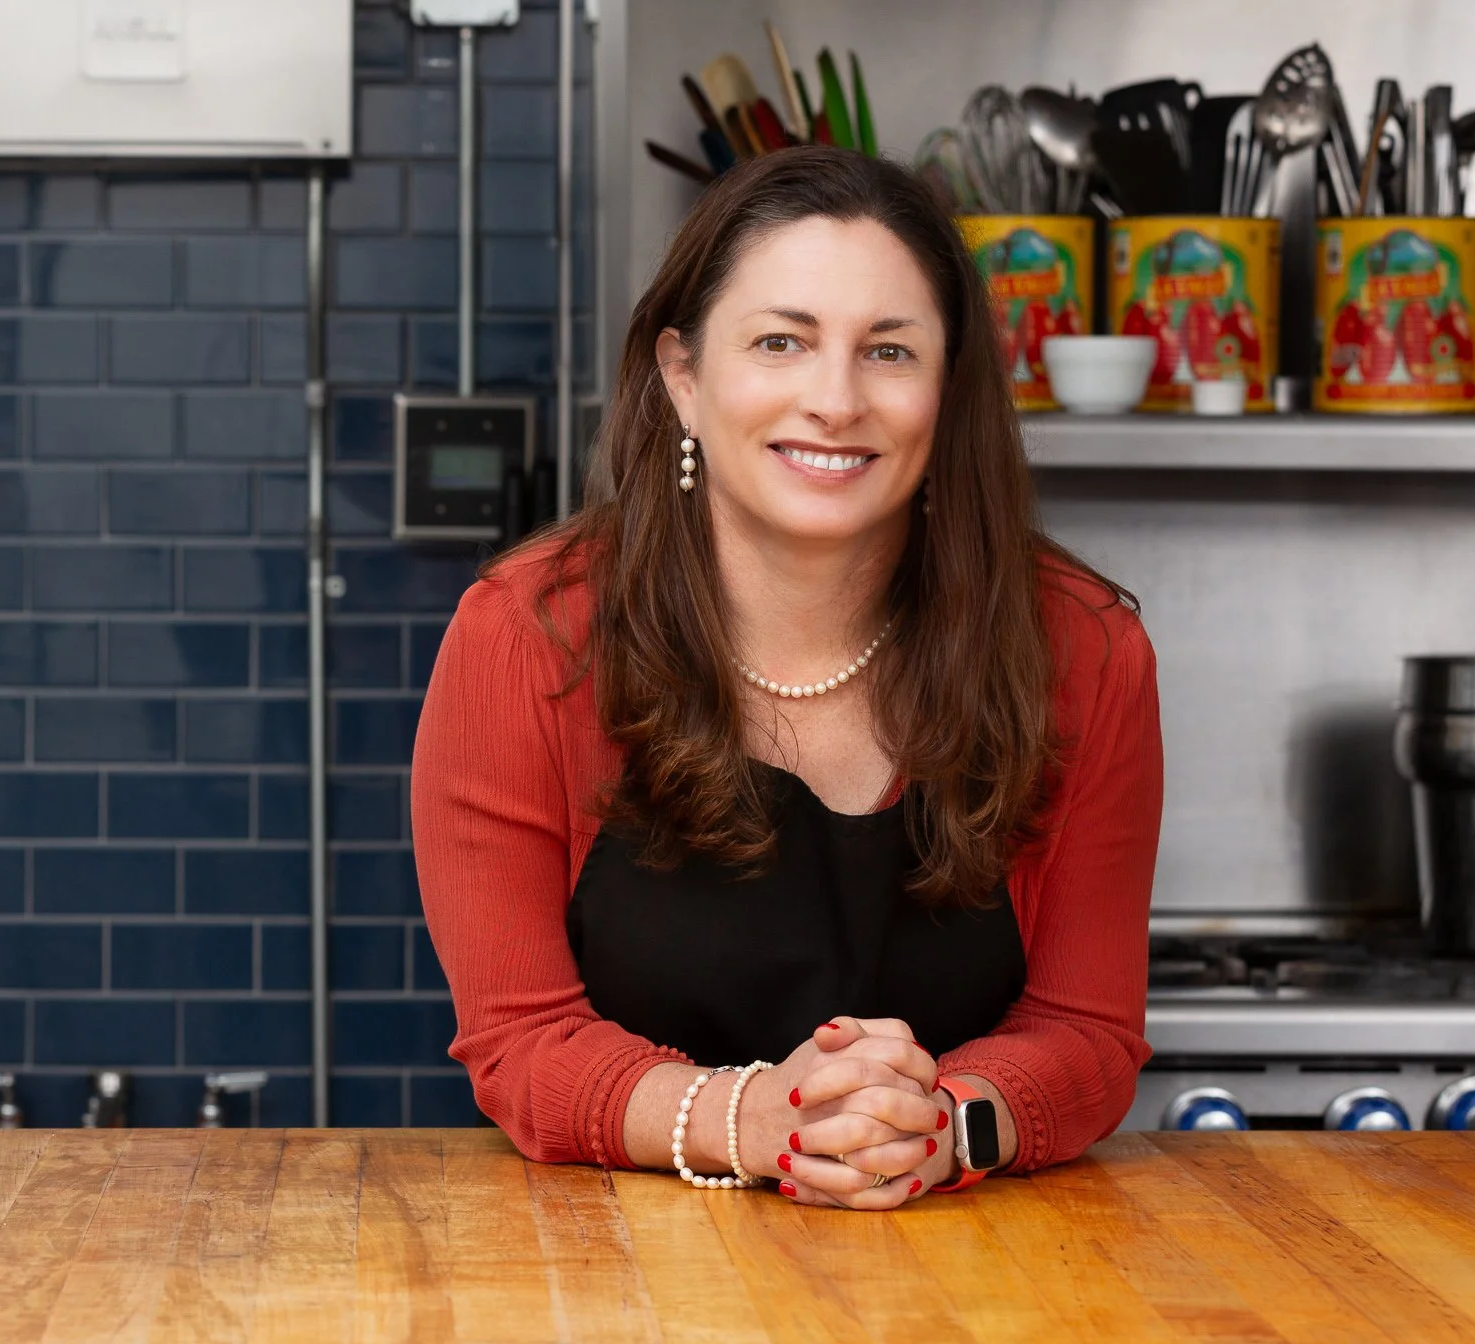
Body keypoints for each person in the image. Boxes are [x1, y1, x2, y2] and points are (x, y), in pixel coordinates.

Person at [411, 147, 1161, 1207]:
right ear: (683, 376)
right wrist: (757, 1120)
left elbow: (1086, 1033)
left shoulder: (1082, 652)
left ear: (947, 393)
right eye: (780, 342)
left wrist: (939, 1125)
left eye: (889, 352)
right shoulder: (527, 639)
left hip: (979, 1296)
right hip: (609, 1292)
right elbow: (521, 1041)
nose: (835, 398)